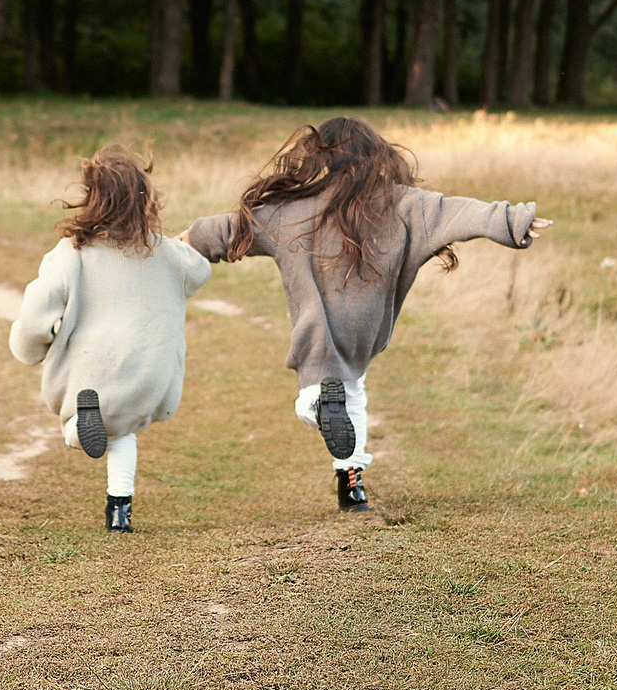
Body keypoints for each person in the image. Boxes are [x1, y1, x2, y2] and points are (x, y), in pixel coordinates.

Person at [182, 117, 549, 511]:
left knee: (315, 395)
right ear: (378, 156)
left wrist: (186, 241)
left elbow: (229, 229)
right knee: (352, 391)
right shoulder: (407, 204)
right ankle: (352, 485)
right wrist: (513, 220)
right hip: (367, 331)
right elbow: (458, 212)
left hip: (320, 332)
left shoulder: (291, 212)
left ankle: (320, 406)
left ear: (320, 158)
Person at [10, 146, 214, 533]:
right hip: (148, 375)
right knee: (122, 430)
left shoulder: (71, 253)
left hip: (92, 369)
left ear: (92, 198)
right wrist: (185, 242)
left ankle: (78, 429)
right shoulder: (165, 251)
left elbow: (37, 310)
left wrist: (29, 345)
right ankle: (119, 513)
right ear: (144, 198)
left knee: (88, 429)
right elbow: (199, 271)